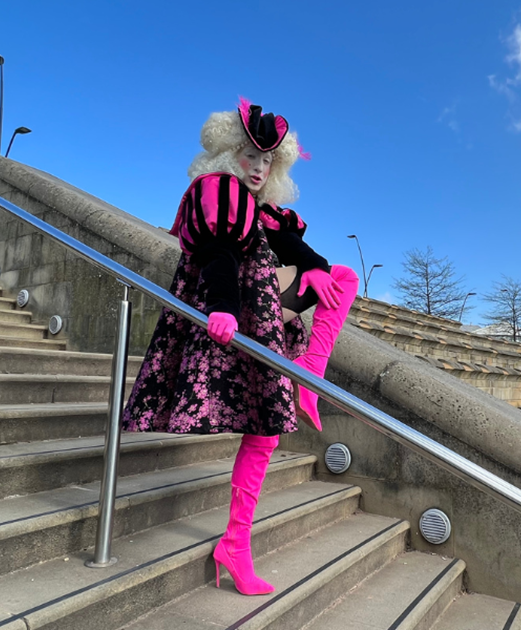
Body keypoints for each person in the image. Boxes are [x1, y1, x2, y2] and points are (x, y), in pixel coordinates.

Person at [120, 98, 358, 595]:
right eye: (251, 155)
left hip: (263, 310)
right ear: (231, 154)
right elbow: (220, 253)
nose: (258, 166)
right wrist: (222, 306)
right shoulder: (219, 192)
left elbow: (294, 247)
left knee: (342, 276)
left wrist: (312, 266)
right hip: (230, 309)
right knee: (266, 426)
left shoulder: (265, 210)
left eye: (268, 159)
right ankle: (236, 543)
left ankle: (309, 375)